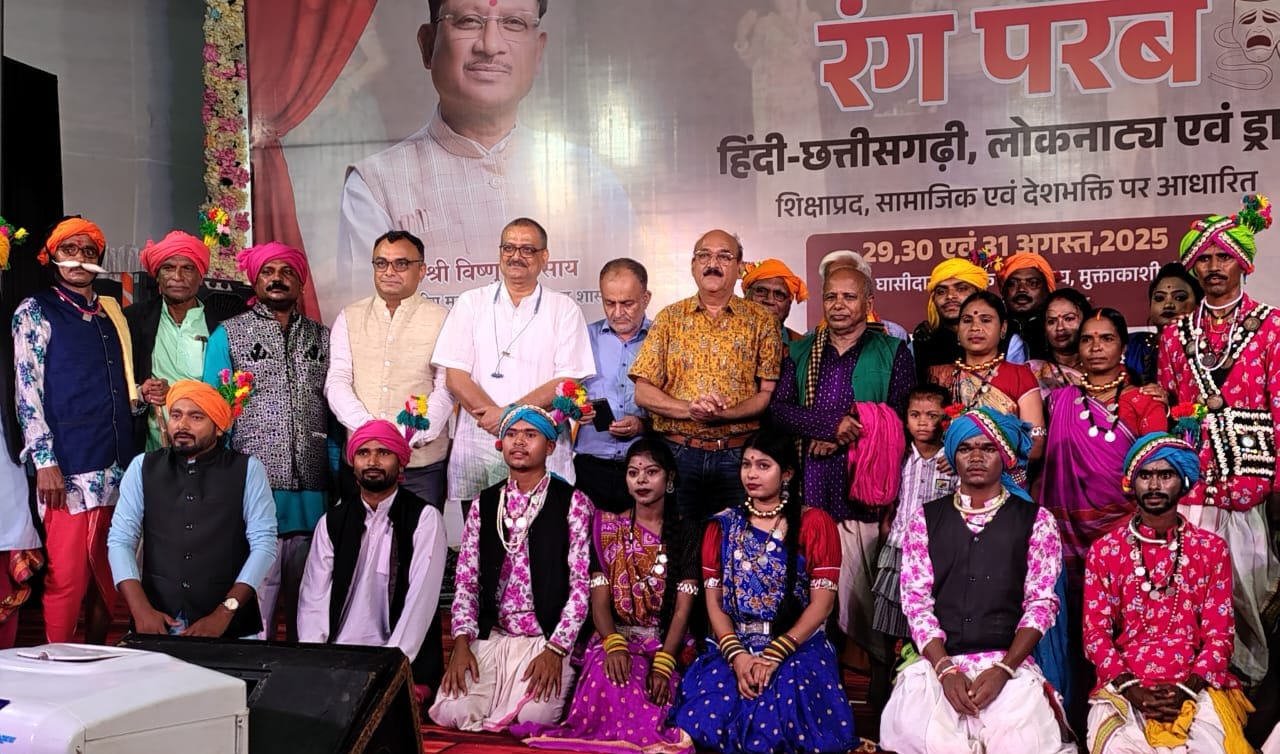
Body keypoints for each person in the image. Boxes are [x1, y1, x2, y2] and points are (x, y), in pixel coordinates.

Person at [336, 0, 637, 305]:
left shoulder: (591, 182)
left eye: (514, 23)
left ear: (538, 51)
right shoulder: (375, 187)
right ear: (428, 45)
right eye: (468, 20)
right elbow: (370, 326)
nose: (490, 46)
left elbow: (620, 320)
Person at [879, 408, 1074, 754]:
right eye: (966, 448)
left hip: (1009, 668)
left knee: (1021, 743)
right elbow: (916, 603)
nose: (976, 457)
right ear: (953, 456)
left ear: (1005, 456)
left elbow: (1041, 604)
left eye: (987, 448)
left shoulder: (1037, 521)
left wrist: (1004, 669)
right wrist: (945, 670)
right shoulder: (925, 519)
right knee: (923, 738)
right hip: (939, 666)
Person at [768, 263, 914, 695]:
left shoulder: (892, 351)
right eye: (831, 296)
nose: (839, 305)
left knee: (866, 605)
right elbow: (779, 410)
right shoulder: (802, 351)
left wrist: (849, 432)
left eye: (849, 297)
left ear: (868, 302)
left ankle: (877, 704)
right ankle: (817, 696)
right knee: (813, 600)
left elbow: (901, 416)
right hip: (811, 491)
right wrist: (829, 426)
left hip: (864, 496)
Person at [671, 432, 860, 754]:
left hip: (796, 646)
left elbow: (823, 604)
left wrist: (774, 654)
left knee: (782, 717)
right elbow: (714, 603)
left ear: (787, 473)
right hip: (736, 645)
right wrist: (738, 656)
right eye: (746, 465)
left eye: (763, 465)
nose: (751, 474)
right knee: (707, 718)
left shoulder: (815, 523)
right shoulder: (722, 526)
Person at [1157, 194, 1280, 686]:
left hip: (1250, 481)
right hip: (1191, 482)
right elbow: (1168, 408)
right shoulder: (1175, 334)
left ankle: (1250, 689)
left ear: (1243, 263)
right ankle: (1201, 683)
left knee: (1249, 587)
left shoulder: (1272, 326)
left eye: (1223, 257)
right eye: (1204, 258)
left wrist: (1276, 484)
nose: (1212, 267)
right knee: (1190, 588)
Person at [516, 437, 699, 753]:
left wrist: (665, 662)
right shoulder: (606, 527)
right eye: (633, 473)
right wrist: (613, 645)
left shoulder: (688, 532)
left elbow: (683, 609)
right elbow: (599, 600)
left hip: (666, 644)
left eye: (651, 472)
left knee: (654, 693)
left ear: (669, 478)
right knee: (612, 676)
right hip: (615, 638)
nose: (641, 480)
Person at [12, 216, 140, 643]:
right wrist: (44, 461)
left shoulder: (109, 314)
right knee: (67, 577)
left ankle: (96, 656)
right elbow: (27, 390)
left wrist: (144, 395)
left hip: (117, 462)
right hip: (68, 465)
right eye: (70, 250)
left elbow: (121, 384)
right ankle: (60, 662)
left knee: (110, 570)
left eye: (89, 251)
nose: (80, 259)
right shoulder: (35, 310)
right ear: (52, 256)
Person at [1083, 432, 1254, 754]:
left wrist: (1188, 689)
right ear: (1132, 482)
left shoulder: (1210, 549)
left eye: (1165, 475)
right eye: (1145, 475)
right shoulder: (1105, 551)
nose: (1154, 485)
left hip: (1195, 683)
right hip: (1125, 684)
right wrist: (1130, 687)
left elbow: (1220, 635)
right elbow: (1095, 635)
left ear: (1183, 481)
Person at [430, 405, 592, 732]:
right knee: (453, 712)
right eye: (512, 435)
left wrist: (556, 649)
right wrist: (461, 643)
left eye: (530, 435)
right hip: (493, 634)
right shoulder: (485, 503)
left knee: (535, 717)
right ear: (500, 443)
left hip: (545, 637)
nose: (519, 442)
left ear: (549, 447)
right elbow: (466, 581)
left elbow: (580, 588)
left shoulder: (572, 502)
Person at [431, 217, 593, 536]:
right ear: (500, 252)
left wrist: (508, 416)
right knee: (483, 543)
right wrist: (498, 419)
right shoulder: (471, 302)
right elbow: (455, 376)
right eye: (509, 247)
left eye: (527, 249)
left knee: (544, 543)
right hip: (480, 441)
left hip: (540, 442)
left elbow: (567, 381)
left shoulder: (563, 309)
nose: (516, 255)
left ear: (544, 257)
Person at [204, 241, 330, 641]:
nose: (277, 279)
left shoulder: (322, 338)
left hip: (314, 494)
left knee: (310, 611)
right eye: (268, 272)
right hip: (253, 492)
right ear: (255, 281)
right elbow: (215, 413)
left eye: (287, 272)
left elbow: (333, 410)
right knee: (256, 610)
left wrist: (337, 471)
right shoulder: (230, 335)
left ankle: (302, 676)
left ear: (300, 283)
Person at [106, 380, 278, 638]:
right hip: (157, 621)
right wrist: (141, 611)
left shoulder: (248, 470)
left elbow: (264, 545)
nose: (182, 425)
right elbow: (120, 540)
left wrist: (224, 612)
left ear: (218, 427)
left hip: (230, 626)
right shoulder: (143, 466)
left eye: (196, 417)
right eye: (176, 415)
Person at [630, 229, 783, 520]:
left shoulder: (762, 321)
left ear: (739, 267)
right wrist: (690, 409)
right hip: (677, 454)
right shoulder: (669, 318)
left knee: (736, 540)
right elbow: (643, 391)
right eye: (704, 256)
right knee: (679, 540)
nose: (713, 263)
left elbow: (766, 394)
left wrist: (725, 414)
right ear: (693, 265)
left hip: (738, 458)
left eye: (724, 256)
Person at [296, 420, 447, 689]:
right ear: (353, 463)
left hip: (399, 657)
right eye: (363, 453)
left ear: (401, 463)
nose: (373, 461)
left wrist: (394, 664)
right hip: (340, 654)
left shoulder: (424, 518)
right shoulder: (332, 521)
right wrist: (316, 659)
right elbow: (313, 597)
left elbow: (421, 599)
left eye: (384, 452)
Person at [325, 229, 453, 508]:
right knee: (356, 535)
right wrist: (370, 432)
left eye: (401, 263)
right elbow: (337, 380)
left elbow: (446, 388)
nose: (389, 272)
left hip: (420, 465)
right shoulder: (350, 317)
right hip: (361, 463)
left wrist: (407, 435)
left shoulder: (443, 319)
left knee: (419, 534)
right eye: (381, 263)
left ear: (422, 270)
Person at [124, 231, 240, 451]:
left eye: (187, 268)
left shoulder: (222, 325)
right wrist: (142, 391)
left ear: (201, 276)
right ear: (157, 276)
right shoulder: (133, 319)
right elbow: (117, 381)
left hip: (207, 447)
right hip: (152, 448)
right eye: (168, 268)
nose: (177, 276)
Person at [872, 383, 958, 641]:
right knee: (891, 618)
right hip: (899, 545)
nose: (922, 422)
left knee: (930, 620)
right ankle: (890, 667)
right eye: (915, 415)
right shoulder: (899, 456)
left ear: (945, 419)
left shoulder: (951, 461)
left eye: (932, 415)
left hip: (938, 551)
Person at [928, 291, 1046, 470]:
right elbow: (925, 436)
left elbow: (1035, 445)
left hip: (1002, 480)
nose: (975, 327)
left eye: (985, 320)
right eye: (967, 320)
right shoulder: (940, 376)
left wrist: (967, 457)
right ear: (958, 330)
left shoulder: (1020, 375)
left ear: (1003, 328)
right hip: (941, 478)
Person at [573, 258, 652, 514]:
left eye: (627, 303)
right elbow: (562, 390)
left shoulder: (662, 339)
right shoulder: (583, 338)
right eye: (609, 303)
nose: (617, 313)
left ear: (646, 298)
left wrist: (642, 424)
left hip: (646, 468)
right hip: (590, 466)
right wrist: (576, 408)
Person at [911, 256, 1028, 383]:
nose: (950, 296)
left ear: (978, 293)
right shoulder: (922, 344)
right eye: (941, 291)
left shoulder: (1009, 339)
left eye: (961, 289)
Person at [1125, 262, 1203, 385]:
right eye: (1159, 298)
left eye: (1179, 298)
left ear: (1199, 305)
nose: (1168, 305)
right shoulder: (1133, 346)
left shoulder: (1205, 346)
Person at [817, 248, 909, 340]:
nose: (838, 305)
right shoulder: (812, 341)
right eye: (833, 277)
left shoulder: (894, 334)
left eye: (847, 276)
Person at [1027, 288, 1091, 396]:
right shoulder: (1033, 371)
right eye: (1051, 321)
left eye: (1069, 319)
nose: (1060, 328)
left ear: (1086, 322)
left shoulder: (1102, 368)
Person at [995, 252, 1056, 360]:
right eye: (1012, 284)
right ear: (1003, 292)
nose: (1021, 289)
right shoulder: (991, 329)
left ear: (1047, 291)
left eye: (1033, 283)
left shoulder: (1059, 329)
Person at [741, 258, 807, 343]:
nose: (770, 300)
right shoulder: (726, 337)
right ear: (746, 296)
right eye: (761, 291)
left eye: (779, 294)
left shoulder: (803, 346)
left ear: (789, 304)